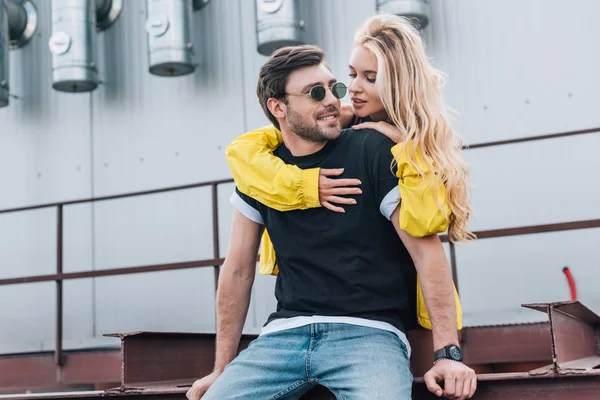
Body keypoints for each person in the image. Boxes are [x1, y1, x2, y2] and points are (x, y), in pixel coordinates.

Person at [186, 39, 475, 400]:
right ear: (278, 106)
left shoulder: (371, 148)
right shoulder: (261, 169)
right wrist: (221, 369)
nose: (332, 99)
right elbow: (238, 269)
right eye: (315, 92)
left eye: (334, 87)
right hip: (281, 338)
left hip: (369, 335)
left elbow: (426, 251)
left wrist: (448, 354)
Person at [226, 15, 473, 331]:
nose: (352, 88)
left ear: (399, 83)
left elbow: (427, 225)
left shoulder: (419, 146)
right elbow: (245, 151)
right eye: (352, 74)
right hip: (344, 302)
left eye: (370, 78)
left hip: (409, 300)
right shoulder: (343, 119)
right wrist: (306, 185)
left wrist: (409, 150)